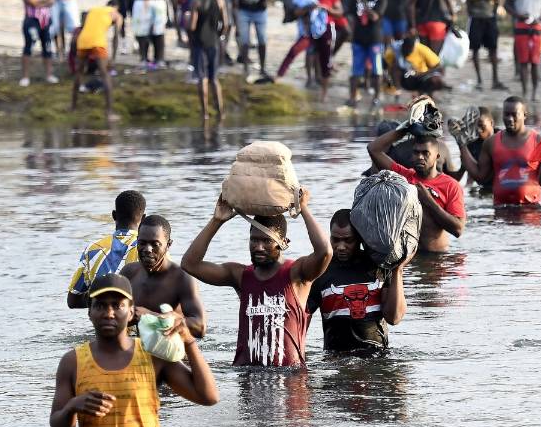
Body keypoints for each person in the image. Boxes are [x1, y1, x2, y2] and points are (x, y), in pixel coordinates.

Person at [49, 273, 218, 427]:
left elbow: (209, 397)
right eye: (100, 305)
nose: (109, 313)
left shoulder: (152, 354)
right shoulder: (73, 362)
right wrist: (72, 407)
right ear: (90, 312)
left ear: (131, 312)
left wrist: (189, 341)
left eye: (117, 305)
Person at [181, 188, 331, 368]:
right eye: (254, 240)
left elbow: (325, 251)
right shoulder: (240, 275)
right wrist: (217, 220)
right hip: (247, 374)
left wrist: (304, 209)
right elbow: (190, 264)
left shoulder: (297, 274)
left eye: (266, 241)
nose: (258, 247)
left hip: (289, 376)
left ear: (283, 243)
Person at [306, 209, 408, 353]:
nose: (341, 247)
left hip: (376, 357)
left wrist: (398, 270)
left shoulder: (380, 266)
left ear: (360, 238)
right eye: (335, 240)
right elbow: (302, 320)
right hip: (336, 359)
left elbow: (394, 318)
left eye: (348, 240)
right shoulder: (320, 271)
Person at [368, 116, 466, 253]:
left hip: (437, 258)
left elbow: (458, 229)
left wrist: (428, 201)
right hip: (406, 258)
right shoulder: (403, 176)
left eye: (425, 153)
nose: (420, 157)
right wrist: (406, 128)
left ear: (437, 156)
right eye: (416, 152)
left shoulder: (451, 185)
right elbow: (373, 149)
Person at [120, 214, 207, 338]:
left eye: (155, 244)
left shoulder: (182, 279)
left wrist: (151, 317)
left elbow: (200, 327)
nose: (147, 249)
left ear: (168, 245)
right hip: (142, 347)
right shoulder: (129, 273)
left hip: (173, 349)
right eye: (142, 243)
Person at [459, 96, 541, 206]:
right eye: (506, 114)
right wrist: (461, 143)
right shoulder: (491, 142)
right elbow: (480, 176)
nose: (510, 118)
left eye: (514, 114)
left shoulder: (539, 141)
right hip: (500, 209)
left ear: (524, 115)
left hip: (531, 209)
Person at [67, 190, 146, 308]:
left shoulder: (92, 249)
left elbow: (73, 300)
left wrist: (101, 298)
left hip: (102, 318)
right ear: (143, 218)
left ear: (114, 215)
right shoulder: (150, 248)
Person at [70, 4, 123, 119]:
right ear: (116, 7)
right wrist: (113, 59)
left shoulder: (93, 10)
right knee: (105, 74)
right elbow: (116, 37)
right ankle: (109, 113)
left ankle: (73, 107)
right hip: (98, 42)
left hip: (83, 40)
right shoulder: (116, 14)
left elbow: (84, 26)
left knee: (79, 72)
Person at [462, 0, 502, 90]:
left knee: (493, 49)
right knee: (475, 50)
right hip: (475, 16)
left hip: (490, 15)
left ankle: (495, 80)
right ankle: (479, 80)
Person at [190, 0, 226, 118]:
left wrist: (187, 29)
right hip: (214, 42)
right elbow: (226, 24)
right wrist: (219, 35)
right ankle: (220, 112)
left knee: (202, 78)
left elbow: (192, 26)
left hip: (199, 43)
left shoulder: (196, 2)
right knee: (214, 79)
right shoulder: (219, 1)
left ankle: (204, 112)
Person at [349, 0, 385, 108]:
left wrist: (364, 3)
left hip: (374, 39)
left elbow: (375, 16)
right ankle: (353, 97)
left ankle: (376, 97)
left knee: (377, 69)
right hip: (358, 39)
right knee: (356, 70)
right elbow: (352, 17)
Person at [19, 0, 56, 86]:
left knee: (47, 46)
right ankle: (25, 76)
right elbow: (30, 1)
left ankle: (49, 75)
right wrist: (43, 0)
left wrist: (38, 1)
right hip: (32, 19)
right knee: (29, 46)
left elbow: (52, 1)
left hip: (45, 20)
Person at [230, 0, 268, 76]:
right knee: (244, 40)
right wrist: (237, 25)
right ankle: (246, 68)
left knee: (262, 38)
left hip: (260, 10)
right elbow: (235, 5)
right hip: (244, 12)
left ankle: (262, 68)